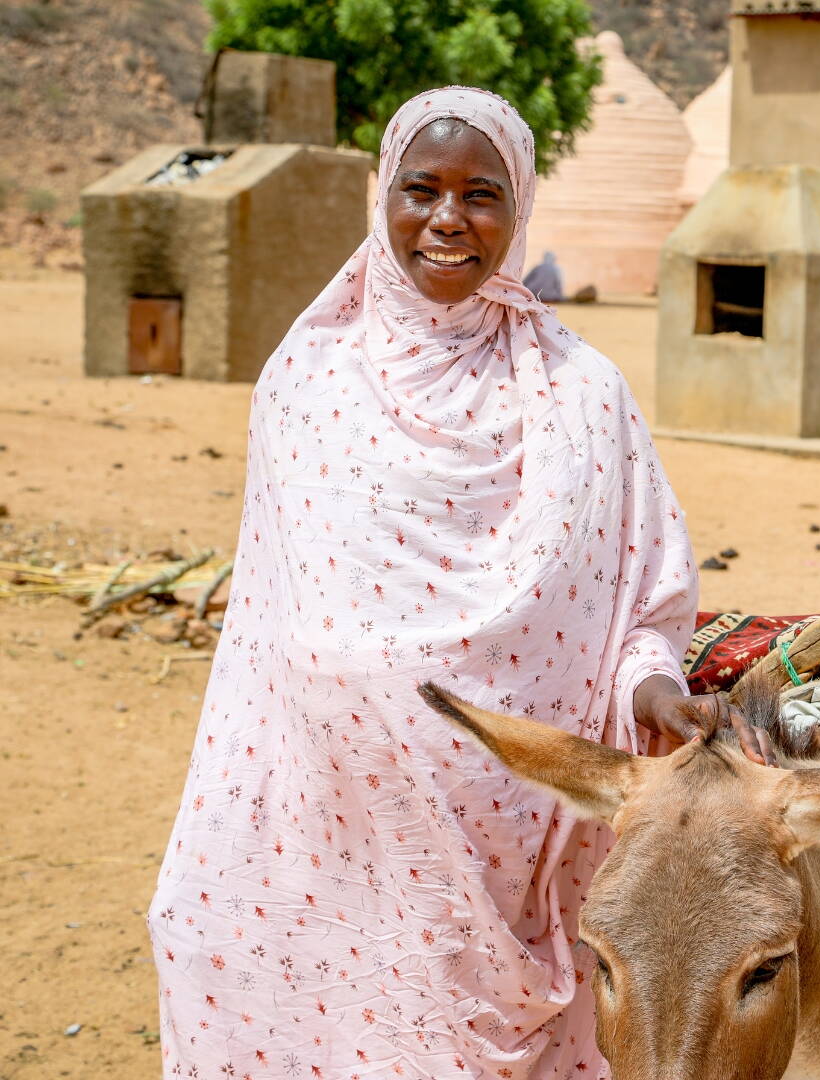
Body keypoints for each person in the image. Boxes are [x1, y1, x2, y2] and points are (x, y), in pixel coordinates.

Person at [147, 87, 771, 1080]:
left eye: (481, 193)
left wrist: (652, 691)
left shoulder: (580, 393)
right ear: (381, 197)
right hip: (326, 827)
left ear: (518, 208)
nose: (447, 220)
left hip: (516, 845)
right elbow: (267, 629)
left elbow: (641, 602)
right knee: (224, 955)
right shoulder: (306, 383)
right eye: (420, 189)